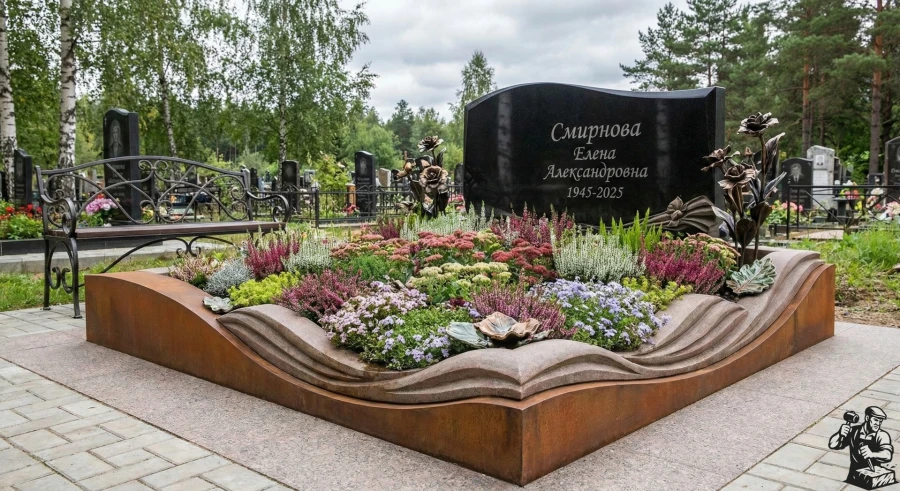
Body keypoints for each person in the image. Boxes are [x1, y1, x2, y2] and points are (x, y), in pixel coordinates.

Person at [829, 406, 893, 487]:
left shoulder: (882, 435)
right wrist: (839, 434)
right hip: (853, 475)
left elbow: (888, 455)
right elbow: (832, 445)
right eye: (876, 420)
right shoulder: (854, 431)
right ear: (867, 418)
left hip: (873, 478)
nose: (878, 424)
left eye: (880, 421)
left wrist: (872, 454)